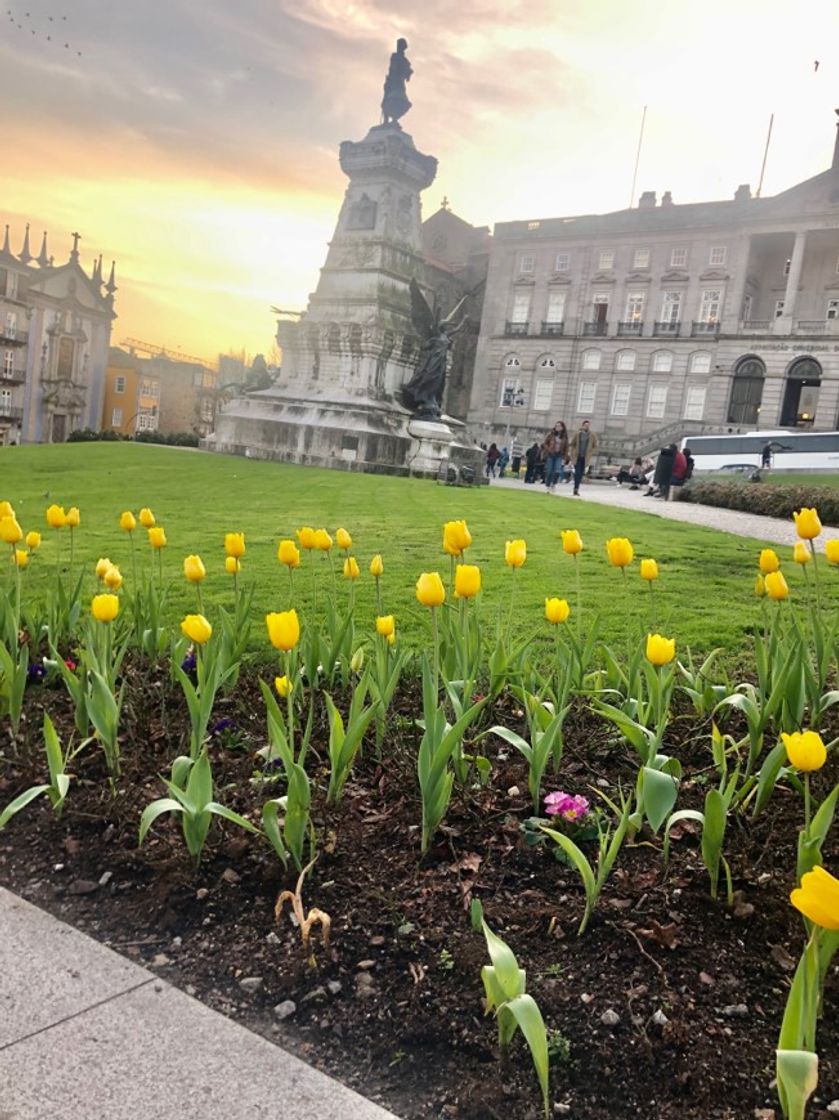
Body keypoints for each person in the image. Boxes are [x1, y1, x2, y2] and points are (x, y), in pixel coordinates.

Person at [381, 39, 413, 126]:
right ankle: (386, 121)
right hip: (392, 80)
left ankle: (394, 118)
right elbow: (392, 68)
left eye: (401, 45)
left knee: (396, 97)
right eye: (399, 45)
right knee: (387, 98)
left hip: (398, 81)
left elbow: (409, 70)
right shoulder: (395, 56)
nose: (399, 47)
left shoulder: (405, 60)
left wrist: (408, 74)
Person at [568, 420, 599, 496]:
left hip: (585, 458)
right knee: (577, 473)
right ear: (582, 426)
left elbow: (595, 445)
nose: (587, 426)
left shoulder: (592, 435)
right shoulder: (578, 434)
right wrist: (572, 452)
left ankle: (576, 488)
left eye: (588, 425)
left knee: (581, 473)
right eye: (585, 425)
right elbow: (572, 443)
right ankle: (576, 488)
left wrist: (591, 452)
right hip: (577, 457)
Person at [541, 421, 569, 492]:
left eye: (559, 426)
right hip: (551, 454)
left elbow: (566, 448)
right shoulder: (551, 434)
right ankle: (548, 485)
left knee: (557, 471)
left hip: (559, 455)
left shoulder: (564, 437)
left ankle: (553, 484)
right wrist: (549, 449)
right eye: (556, 426)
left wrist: (565, 457)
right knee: (549, 470)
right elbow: (545, 443)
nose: (557, 427)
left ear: (562, 428)